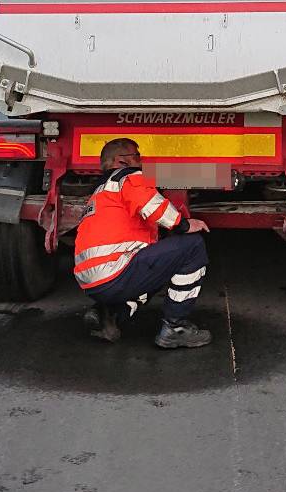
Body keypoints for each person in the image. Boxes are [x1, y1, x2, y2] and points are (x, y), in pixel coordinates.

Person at [72, 138, 213, 349]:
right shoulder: (127, 176)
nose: (143, 161)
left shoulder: (99, 193)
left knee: (159, 264)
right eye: (137, 156)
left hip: (95, 283)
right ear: (121, 162)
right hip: (116, 273)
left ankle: (109, 316)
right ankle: (176, 328)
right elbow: (151, 204)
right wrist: (183, 225)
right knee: (192, 246)